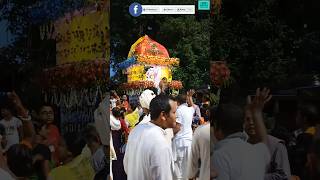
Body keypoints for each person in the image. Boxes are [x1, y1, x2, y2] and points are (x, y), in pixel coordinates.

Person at [213, 88, 271, 180]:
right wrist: (257, 112)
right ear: (243, 125)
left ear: (217, 128)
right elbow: (264, 142)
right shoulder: (256, 151)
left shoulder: (219, 156)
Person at [123, 95, 177, 180]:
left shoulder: (136, 130)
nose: (176, 116)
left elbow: (126, 166)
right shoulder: (160, 143)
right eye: (174, 112)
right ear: (163, 115)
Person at [244, 102, 292, 179]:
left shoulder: (276, 145)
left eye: (254, 119)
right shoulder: (242, 144)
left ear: (261, 122)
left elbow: (284, 176)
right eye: (247, 119)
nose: (251, 123)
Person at [172, 91, 196, 180]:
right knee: (188, 169)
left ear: (177, 102)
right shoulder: (190, 110)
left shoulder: (178, 111)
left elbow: (177, 127)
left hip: (180, 143)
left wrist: (168, 135)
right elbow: (193, 106)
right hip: (189, 141)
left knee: (179, 170)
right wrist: (190, 97)